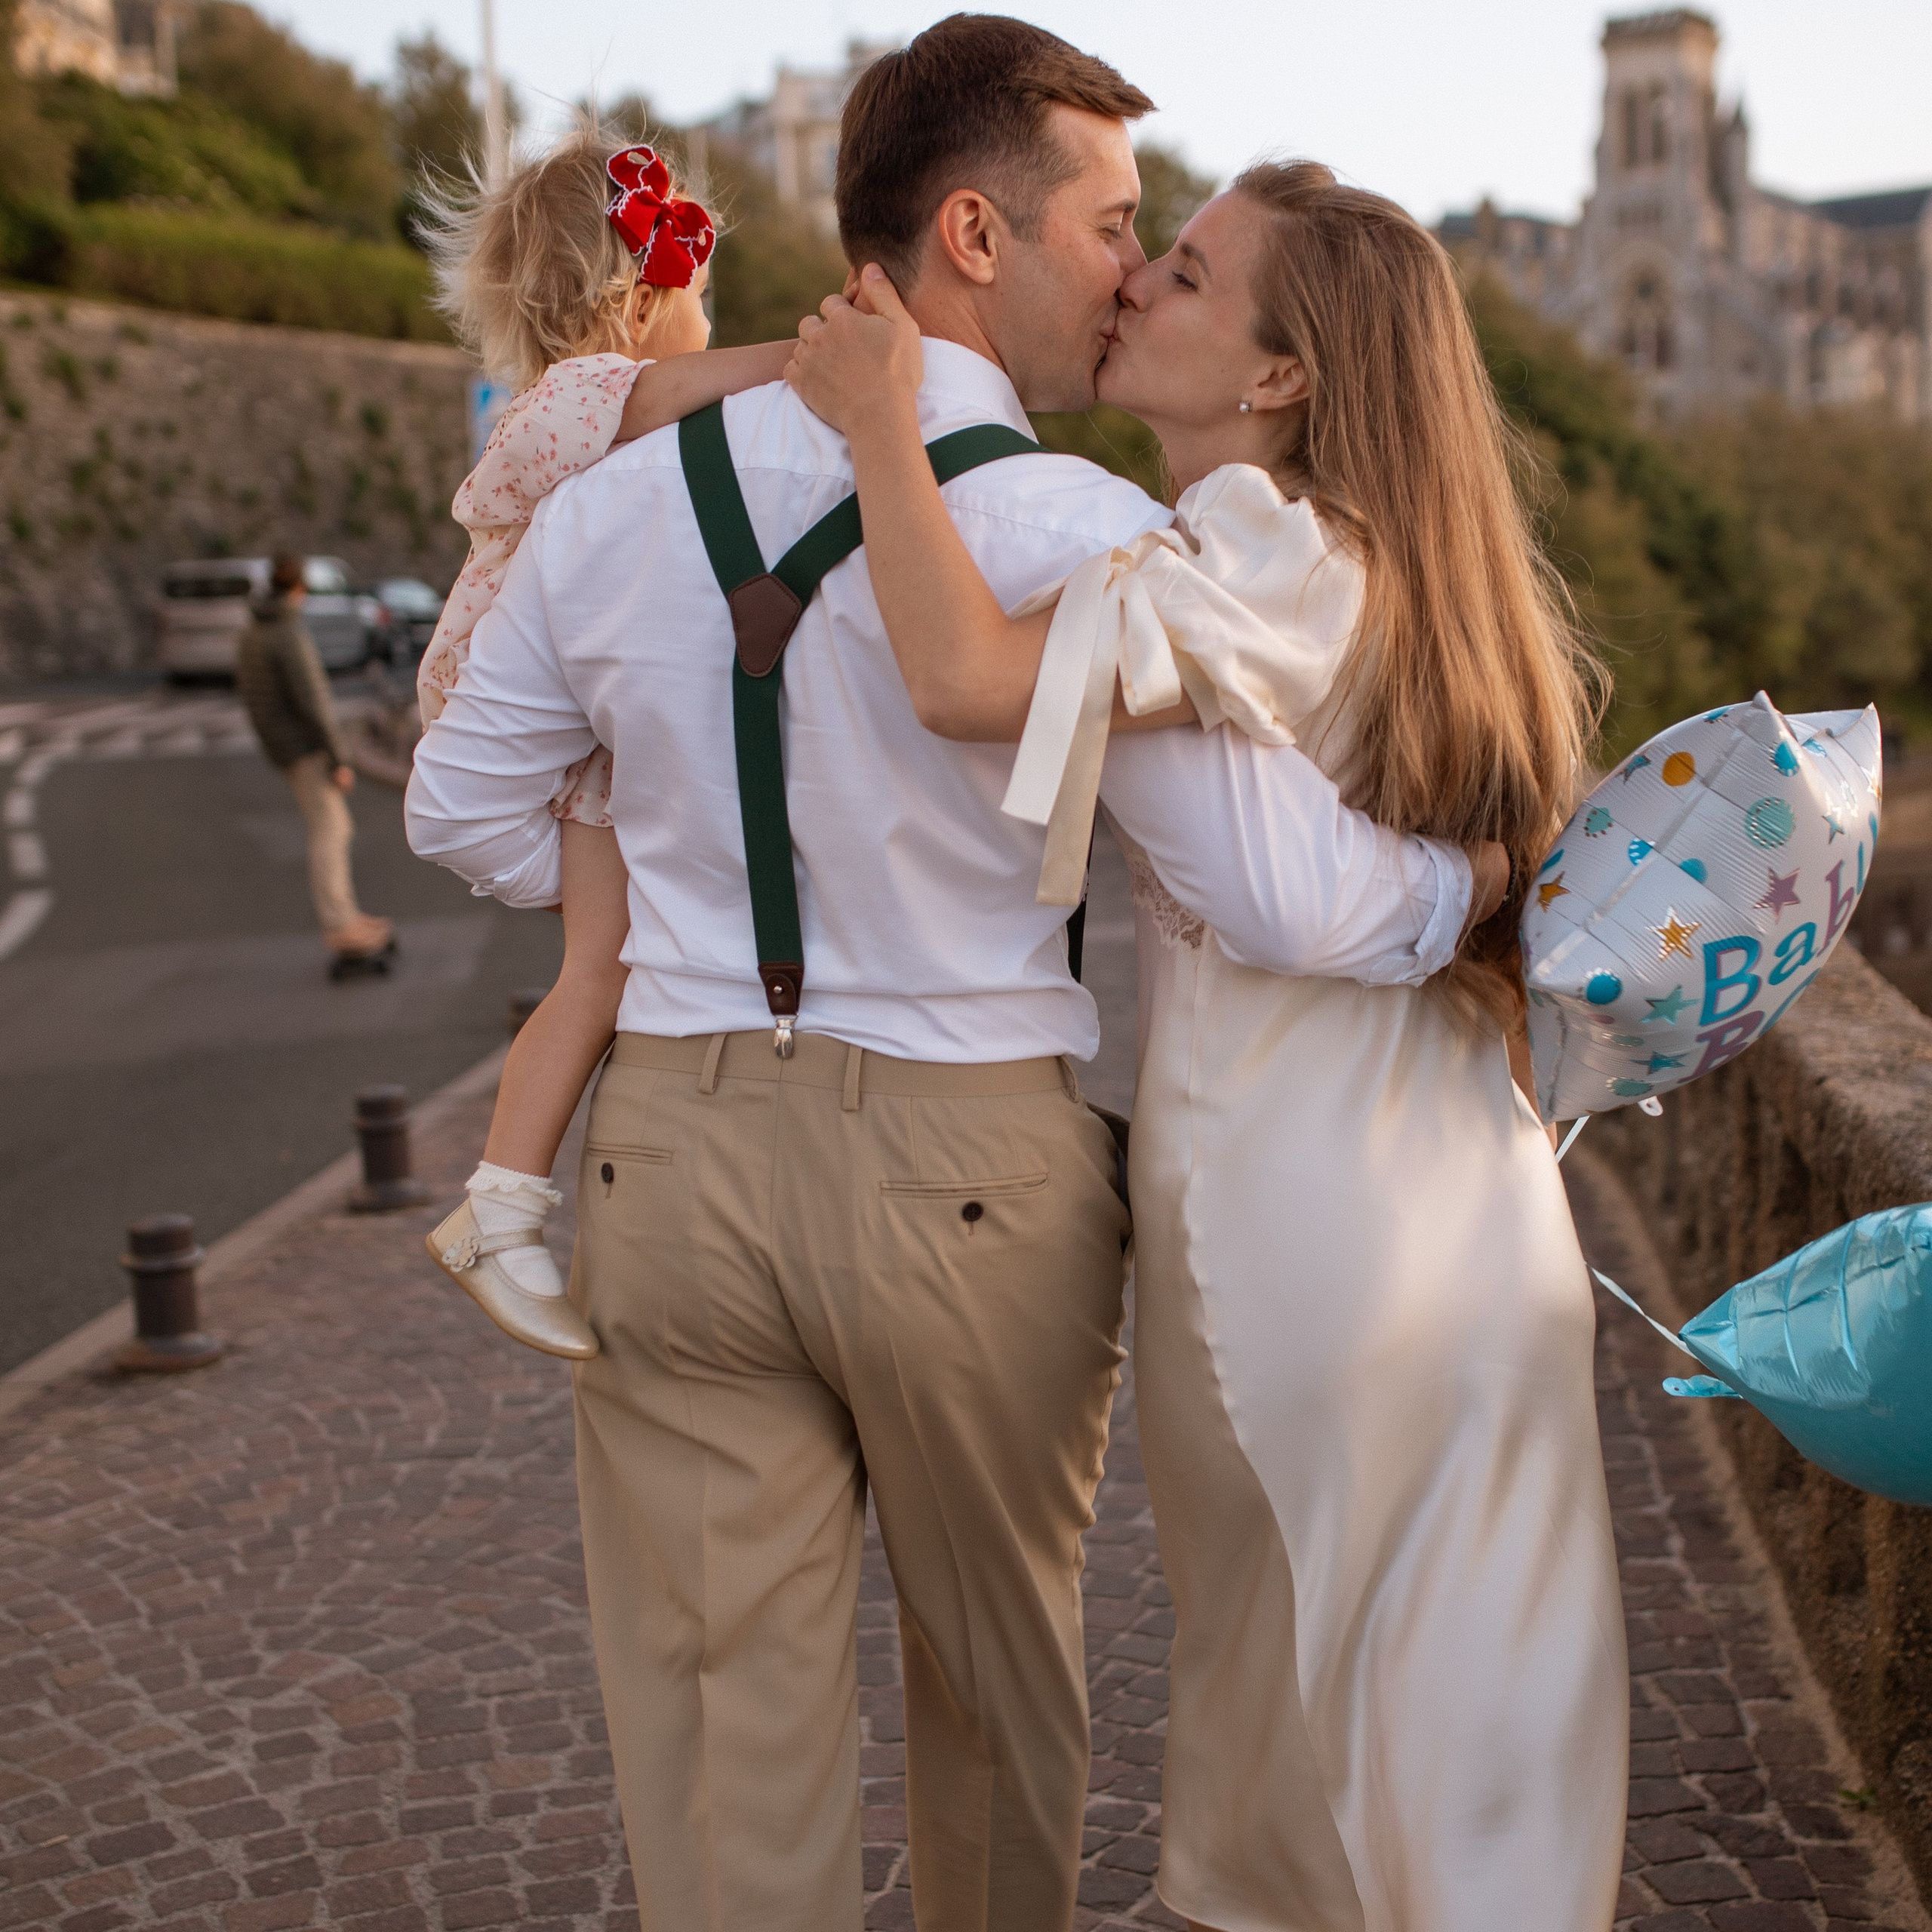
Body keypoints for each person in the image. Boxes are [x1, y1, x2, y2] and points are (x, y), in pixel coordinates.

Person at [406, 20, 1502, 1930]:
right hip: (968, 1169)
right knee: (997, 1686)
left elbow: (461, 809)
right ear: (976, 234)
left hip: (665, 1147)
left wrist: (661, 871)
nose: (1128, 273)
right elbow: (1258, 890)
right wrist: (1484, 883)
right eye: (1112, 223)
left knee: (707, 1700)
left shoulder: (603, 508)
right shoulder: (1077, 528)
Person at [783, 162, 1628, 1930]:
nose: (1133, 288)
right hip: (1462, 1209)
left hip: (1296, 1220)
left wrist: (875, 428)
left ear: (1276, 378)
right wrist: (1478, 871)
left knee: (1314, 1735)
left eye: (1180, 271)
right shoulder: (1400, 571)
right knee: (1473, 1726)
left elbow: (1270, 888)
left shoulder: (1241, 551)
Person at [411, 124, 795, 1358]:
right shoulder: (584, 396)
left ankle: (511, 1206)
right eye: (694, 292)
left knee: (607, 956)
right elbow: (680, 389)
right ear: (638, 298)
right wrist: (822, 356)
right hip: (538, 709)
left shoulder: (593, 410)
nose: (706, 321)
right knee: (599, 964)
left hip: (568, 715)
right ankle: (499, 1209)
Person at [235, 553, 392, 971]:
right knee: (332, 830)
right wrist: (339, 757)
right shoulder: (287, 632)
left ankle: (348, 915)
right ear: (300, 589)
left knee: (333, 828)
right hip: (305, 747)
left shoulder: (255, 629)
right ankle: (341, 923)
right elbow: (314, 700)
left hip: (283, 745)